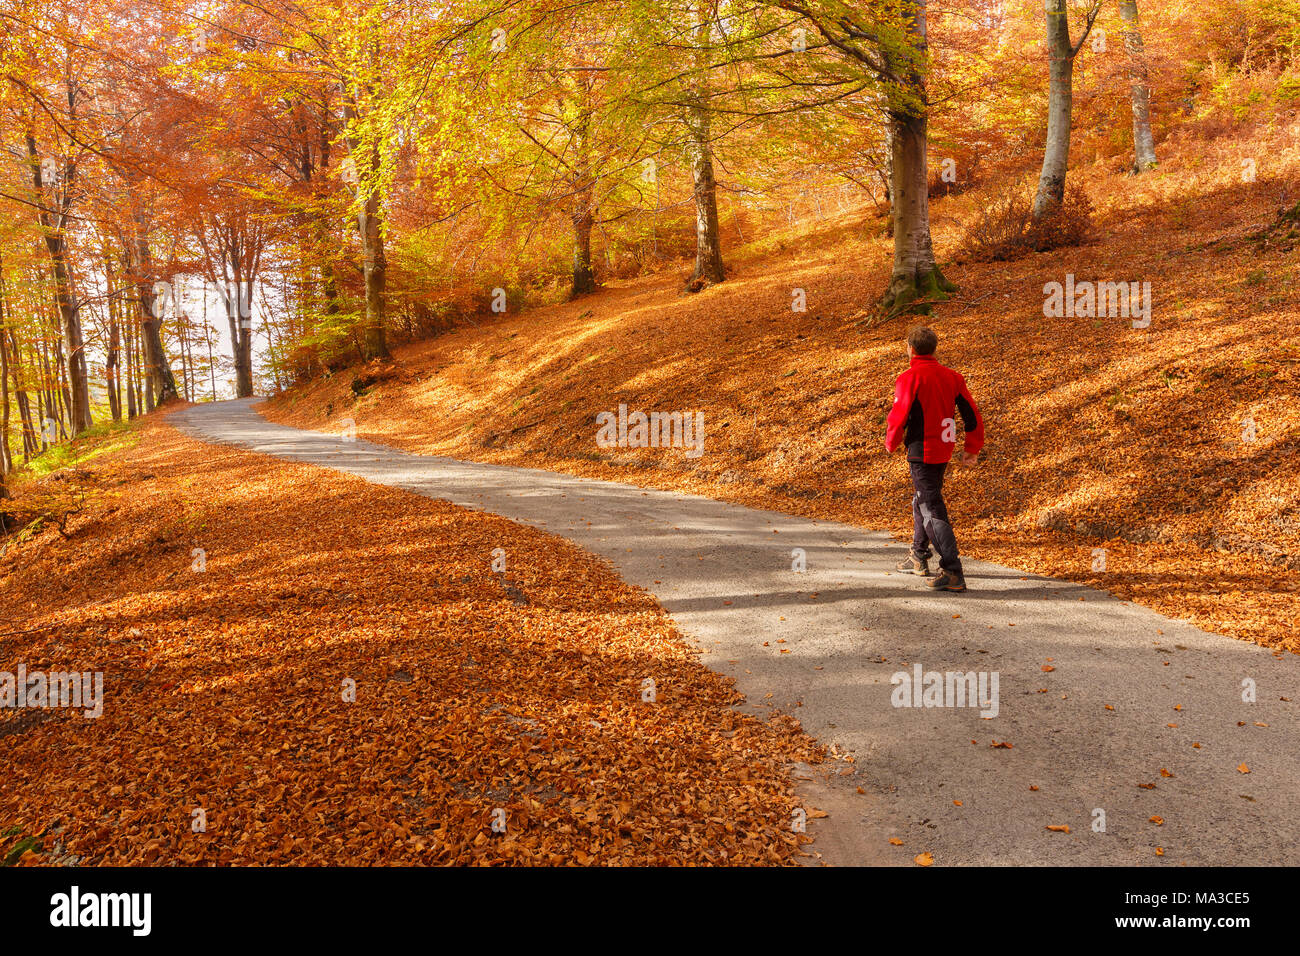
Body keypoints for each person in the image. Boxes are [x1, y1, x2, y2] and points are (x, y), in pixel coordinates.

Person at [884, 325, 984, 592]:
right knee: (922, 498)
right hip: (944, 448)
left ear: (911, 349)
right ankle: (918, 555)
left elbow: (898, 415)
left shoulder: (909, 377)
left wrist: (891, 442)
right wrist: (972, 447)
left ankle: (952, 571)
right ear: (934, 349)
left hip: (921, 450)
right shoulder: (953, 377)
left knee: (931, 508)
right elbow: (971, 414)